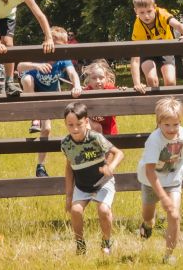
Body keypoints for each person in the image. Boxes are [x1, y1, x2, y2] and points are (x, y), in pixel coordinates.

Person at [137, 97, 183, 264]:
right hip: (151, 183)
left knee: (174, 214)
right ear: (158, 123)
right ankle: (148, 225)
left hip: (173, 181)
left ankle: (168, 254)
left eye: (176, 124)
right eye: (167, 125)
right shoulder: (154, 141)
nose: (172, 129)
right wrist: (163, 197)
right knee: (148, 216)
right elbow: (150, 171)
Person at [17, 26, 82, 177]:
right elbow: (20, 66)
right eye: (55, 45)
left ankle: (40, 166)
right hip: (34, 95)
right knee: (26, 79)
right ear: (47, 42)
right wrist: (36, 65)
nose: (57, 49)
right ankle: (34, 117)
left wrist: (77, 85)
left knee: (46, 129)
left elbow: (72, 73)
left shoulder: (62, 59)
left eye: (61, 46)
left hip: (49, 95)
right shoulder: (39, 54)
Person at [61, 102, 124, 255]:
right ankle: (80, 244)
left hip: (102, 183)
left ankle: (106, 241)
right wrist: (69, 195)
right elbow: (69, 168)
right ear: (65, 124)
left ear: (86, 122)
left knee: (103, 210)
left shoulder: (95, 138)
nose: (75, 129)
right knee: (76, 211)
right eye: (70, 125)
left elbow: (119, 153)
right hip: (82, 186)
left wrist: (111, 166)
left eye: (79, 124)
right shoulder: (65, 144)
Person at [130, 0, 183, 94]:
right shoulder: (138, 26)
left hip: (165, 49)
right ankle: (158, 104)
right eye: (142, 12)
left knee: (170, 81)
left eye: (149, 11)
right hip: (147, 53)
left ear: (154, 7)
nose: (146, 16)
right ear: (136, 11)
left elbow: (179, 25)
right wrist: (137, 83)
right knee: (152, 79)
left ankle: (170, 106)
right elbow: (135, 59)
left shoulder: (161, 13)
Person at [83, 59, 123, 135]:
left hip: (110, 131)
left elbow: (121, 97)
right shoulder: (86, 92)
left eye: (101, 78)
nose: (98, 81)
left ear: (107, 78)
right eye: (94, 78)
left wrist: (122, 91)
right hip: (93, 131)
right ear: (89, 79)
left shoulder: (111, 90)